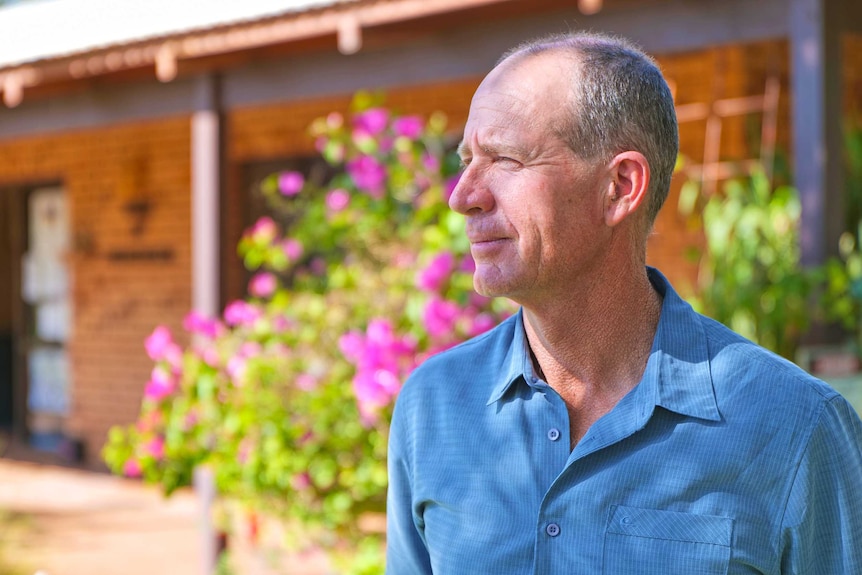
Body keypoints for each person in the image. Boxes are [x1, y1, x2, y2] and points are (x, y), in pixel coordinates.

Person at [385, 31, 862, 574]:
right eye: (468, 159)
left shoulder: (796, 427)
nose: (462, 196)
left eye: (507, 160)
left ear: (620, 185)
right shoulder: (434, 406)